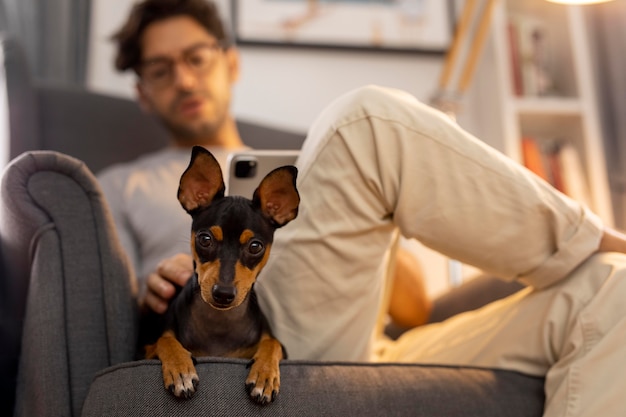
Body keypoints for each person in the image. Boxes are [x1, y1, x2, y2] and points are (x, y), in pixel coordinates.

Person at [100, 1, 626, 415]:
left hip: (371, 344)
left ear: (229, 62)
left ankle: (599, 251)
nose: (186, 79)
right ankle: (589, 234)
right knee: (362, 123)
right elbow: (118, 313)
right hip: (230, 323)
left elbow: (413, 310)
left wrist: (368, 231)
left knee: (610, 287)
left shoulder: (318, 169)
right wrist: (153, 287)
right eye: (162, 70)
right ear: (142, 92)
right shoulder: (121, 185)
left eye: (196, 58)